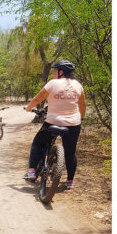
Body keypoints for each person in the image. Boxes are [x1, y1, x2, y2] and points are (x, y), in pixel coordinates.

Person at [23, 59, 86, 190]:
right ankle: (70, 182)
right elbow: (82, 105)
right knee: (70, 152)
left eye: (55, 71)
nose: (53, 73)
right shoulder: (78, 85)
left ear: (61, 72)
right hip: (73, 124)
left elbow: (38, 98)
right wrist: (81, 118)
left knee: (37, 143)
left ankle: (32, 172)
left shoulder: (53, 83)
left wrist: (29, 108)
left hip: (53, 122)